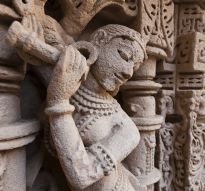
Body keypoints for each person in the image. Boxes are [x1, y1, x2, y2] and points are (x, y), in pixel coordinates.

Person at [45, 24, 147, 191]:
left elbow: (82, 175)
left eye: (134, 68)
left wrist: (59, 101)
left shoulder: (127, 130)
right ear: (99, 39)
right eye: (124, 55)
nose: (129, 72)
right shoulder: (66, 77)